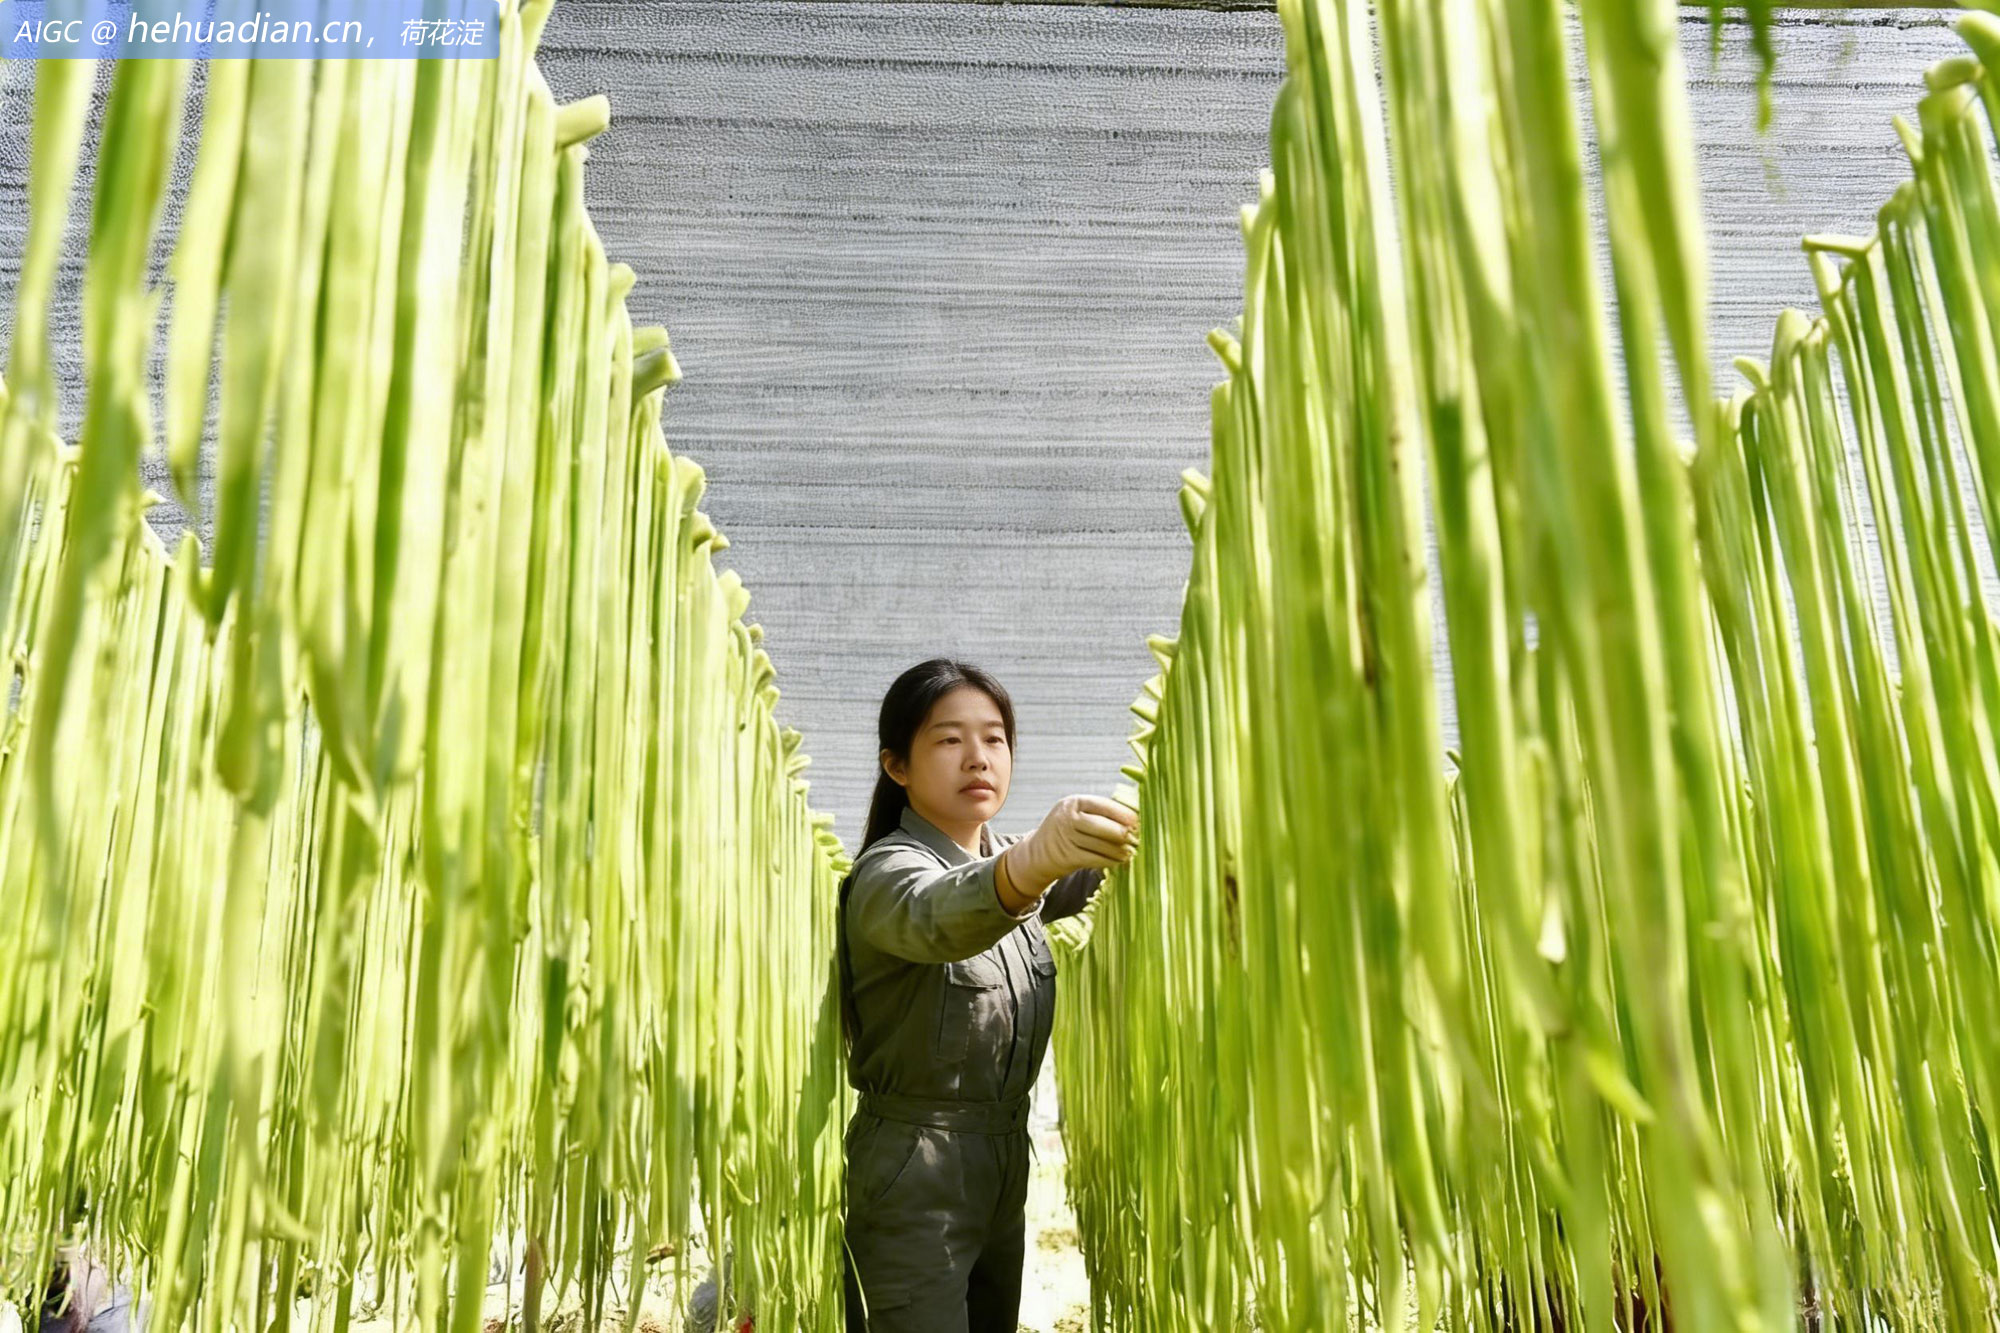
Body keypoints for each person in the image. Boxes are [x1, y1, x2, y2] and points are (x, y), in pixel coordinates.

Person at [836, 658, 1137, 1332]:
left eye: (995, 738)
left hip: (1003, 1159)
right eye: (949, 740)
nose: (978, 756)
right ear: (897, 765)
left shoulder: (1008, 857)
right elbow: (940, 913)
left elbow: (1096, 873)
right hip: (914, 1165)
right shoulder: (887, 873)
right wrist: (1032, 862)